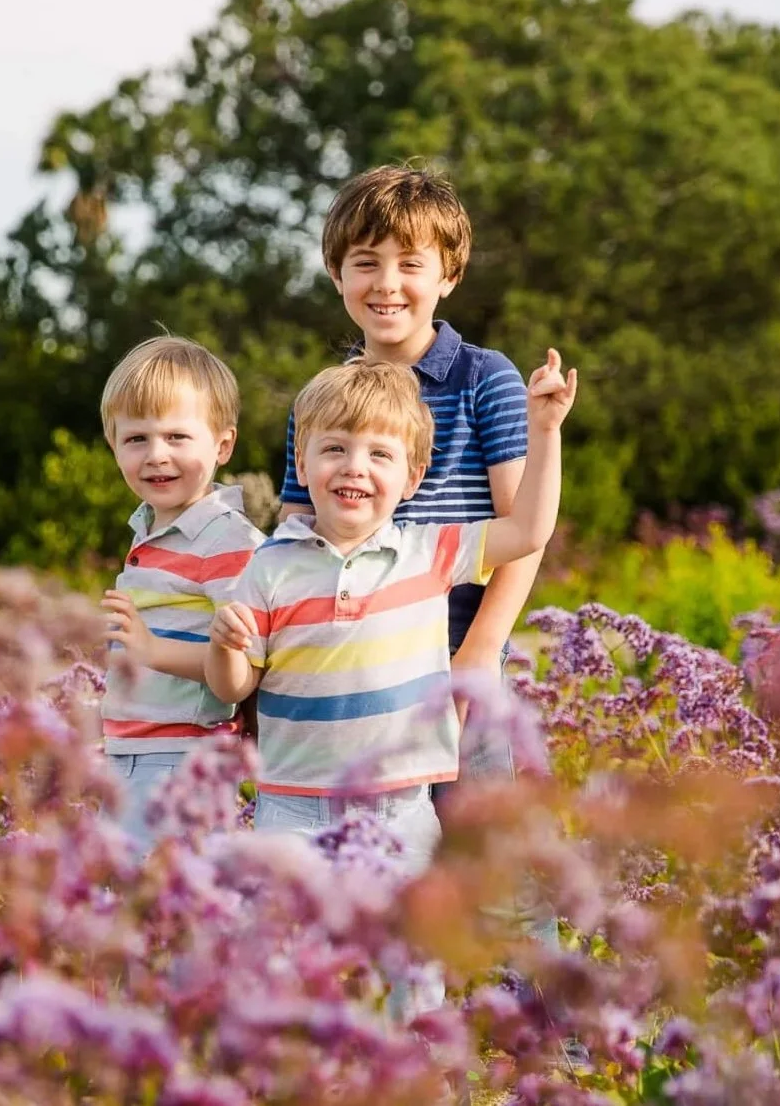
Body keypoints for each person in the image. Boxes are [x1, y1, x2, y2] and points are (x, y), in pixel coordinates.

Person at [205, 352, 577, 1015]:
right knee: (291, 970)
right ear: (305, 462)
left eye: (379, 454)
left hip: (399, 811)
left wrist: (544, 430)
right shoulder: (270, 566)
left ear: (411, 477)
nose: (354, 467)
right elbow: (234, 686)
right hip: (293, 809)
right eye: (335, 448)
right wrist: (228, 646)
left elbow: (527, 531)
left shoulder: (427, 551)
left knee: (410, 975)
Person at [276, 165, 540, 797]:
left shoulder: (486, 378)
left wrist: (478, 655)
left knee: (478, 846)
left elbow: (522, 533)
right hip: (351, 648)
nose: (387, 284)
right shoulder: (321, 400)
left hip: (456, 645)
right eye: (365, 263)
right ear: (337, 274)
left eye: (411, 265)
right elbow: (295, 529)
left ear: (448, 276)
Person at [96, 335, 265, 847]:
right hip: (136, 750)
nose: (156, 456)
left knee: (161, 903)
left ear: (222, 445)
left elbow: (248, 661)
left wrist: (151, 649)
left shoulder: (227, 539)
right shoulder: (149, 528)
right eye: (136, 439)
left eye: (176, 437)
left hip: (182, 755)